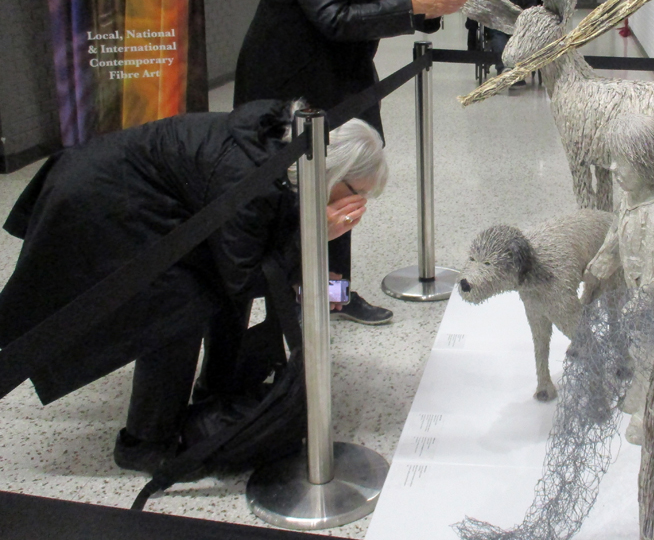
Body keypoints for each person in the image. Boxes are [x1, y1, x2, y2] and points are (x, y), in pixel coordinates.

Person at [0, 100, 388, 474]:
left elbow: (256, 248)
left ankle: (218, 389)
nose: (360, 203)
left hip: (134, 190)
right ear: (333, 171)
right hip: (103, 204)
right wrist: (314, 238)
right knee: (175, 308)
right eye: (358, 192)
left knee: (205, 289)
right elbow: (242, 276)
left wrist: (307, 270)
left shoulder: (289, 147)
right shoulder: (248, 176)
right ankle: (145, 443)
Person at [234, 0, 468, 325]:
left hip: (344, 78)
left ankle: (333, 296)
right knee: (292, 197)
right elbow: (334, 17)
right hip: (290, 85)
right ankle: (289, 299)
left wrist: (427, 11)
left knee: (344, 190)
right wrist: (411, 5)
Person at [583, 113, 654, 445]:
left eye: (622, 162)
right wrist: (597, 267)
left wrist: (641, 305)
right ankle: (640, 388)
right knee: (639, 347)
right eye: (613, 161)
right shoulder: (629, 201)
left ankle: (650, 409)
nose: (613, 169)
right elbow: (615, 240)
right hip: (640, 298)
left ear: (648, 163)